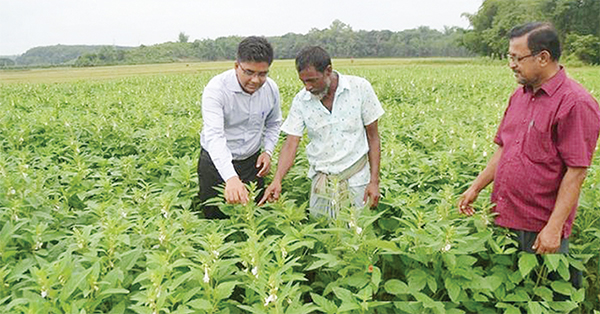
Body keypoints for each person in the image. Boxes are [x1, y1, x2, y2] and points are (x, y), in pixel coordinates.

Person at [458, 22, 600, 258]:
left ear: (543, 57)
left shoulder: (575, 103)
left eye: (517, 58)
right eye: (509, 56)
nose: (511, 64)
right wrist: (476, 187)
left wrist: (554, 228)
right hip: (503, 216)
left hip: (540, 227)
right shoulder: (519, 96)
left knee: (545, 291)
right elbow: (505, 148)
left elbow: (576, 172)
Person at [259, 46, 384, 218]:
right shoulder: (301, 100)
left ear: (328, 71)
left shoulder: (359, 88)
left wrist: (374, 181)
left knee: (357, 237)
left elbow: (373, 137)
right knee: (323, 234)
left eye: (312, 80)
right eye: (303, 82)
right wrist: (277, 179)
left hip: (357, 179)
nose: (308, 87)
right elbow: (291, 143)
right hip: (322, 182)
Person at [198, 36, 281, 219]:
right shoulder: (217, 89)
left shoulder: (271, 89)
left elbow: (273, 123)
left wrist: (267, 151)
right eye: (249, 72)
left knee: (253, 217)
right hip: (216, 165)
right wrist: (230, 177)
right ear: (237, 66)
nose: (255, 80)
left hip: (252, 164)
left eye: (262, 74)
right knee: (216, 221)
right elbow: (215, 136)